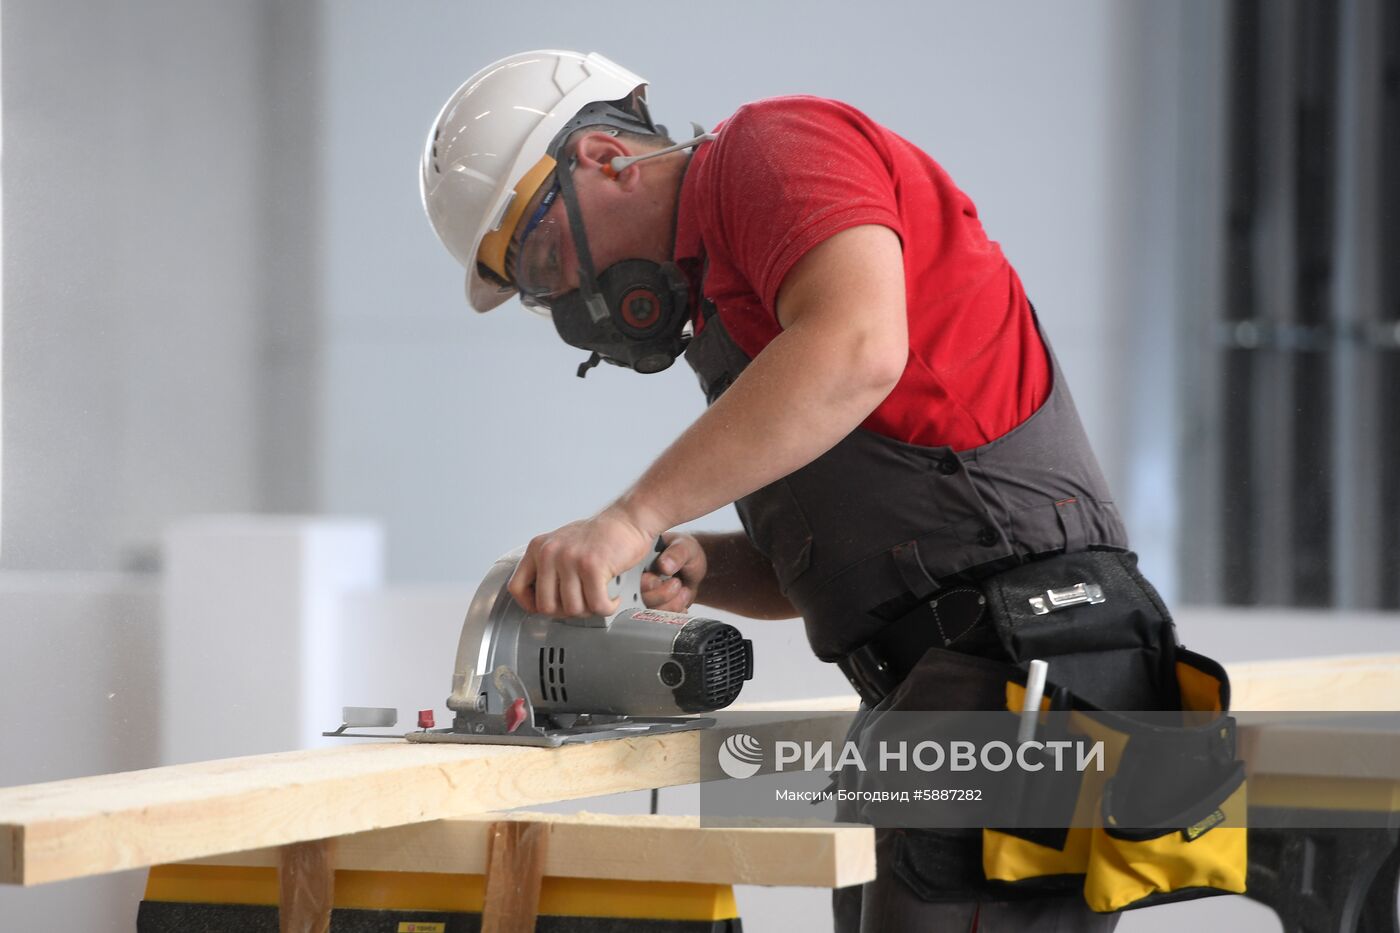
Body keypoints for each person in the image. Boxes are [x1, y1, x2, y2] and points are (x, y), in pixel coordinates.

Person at [420, 49, 1230, 933]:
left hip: (1024, 657)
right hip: (945, 679)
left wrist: (632, 515)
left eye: (545, 259)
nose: (568, 300)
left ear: (604, 160)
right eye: (542, 293)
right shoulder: (731, 307)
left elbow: (859, 349)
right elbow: (879, 562)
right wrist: (711, 565)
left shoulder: (769, 149)